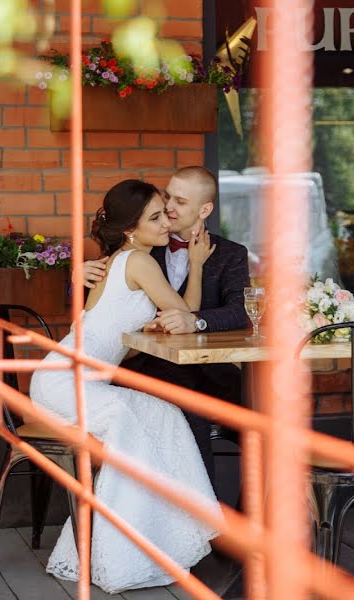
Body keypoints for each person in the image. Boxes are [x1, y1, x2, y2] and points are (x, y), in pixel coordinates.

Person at [30, 179, 220, 594]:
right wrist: (199, 264)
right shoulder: (138, 261)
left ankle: (162, 534)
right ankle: (123, 551)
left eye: (165, 213)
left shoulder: (121, 260)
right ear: (131, 228)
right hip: (67, 381)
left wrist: (147, 328)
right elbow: (184, 312)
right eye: (155, 217)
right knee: (129, 426)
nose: (166, 222)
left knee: (164, 414)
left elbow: (120, 347)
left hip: (68, 378)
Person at [81, 166, 250, 485]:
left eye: (180, 201)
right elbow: (102, 297)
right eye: (168, 196)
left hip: (213, 373)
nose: (169, 206)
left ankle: (251, 519)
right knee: (190, 416)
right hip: (148, 369)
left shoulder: (230, 255)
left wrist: (196, 320)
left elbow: (240, 311)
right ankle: (202, 524)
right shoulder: (145, 241)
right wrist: (77, 278)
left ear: (205, 209)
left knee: (264, 416)